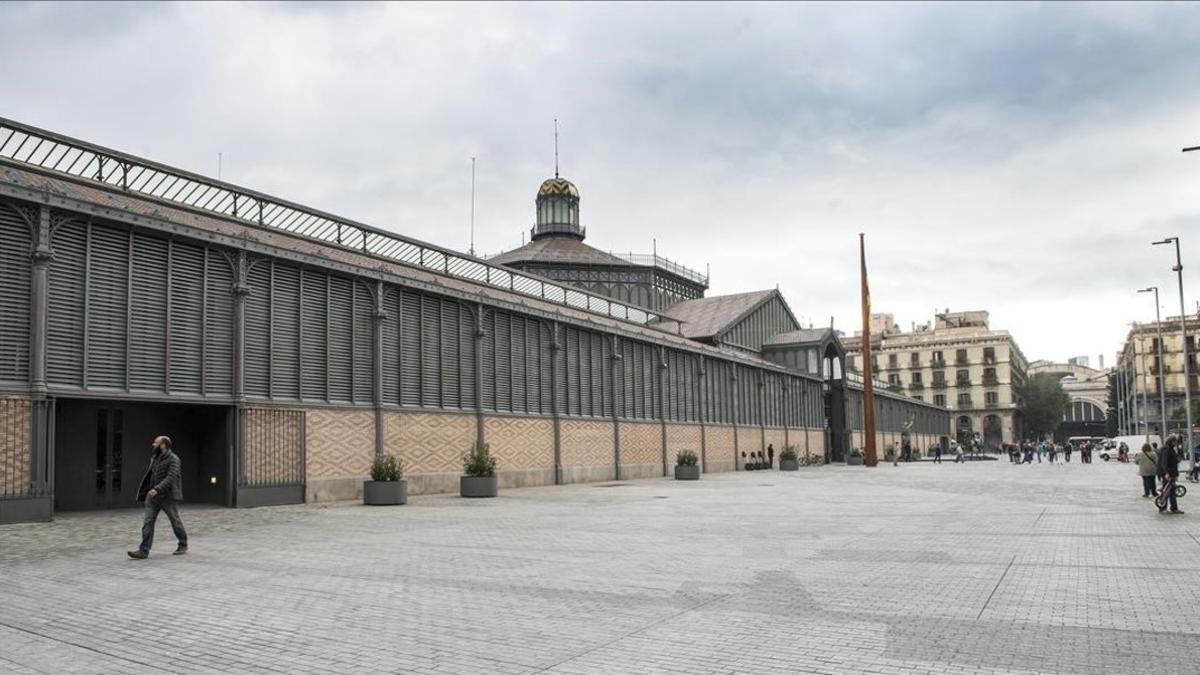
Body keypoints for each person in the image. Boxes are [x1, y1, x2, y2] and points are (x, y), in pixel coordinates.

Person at [129, 435, 188, 559]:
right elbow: (150, 476)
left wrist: (157, 489)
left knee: (175, 521)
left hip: (168, 497)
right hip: (152, 497)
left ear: (163, 445)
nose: (153, 444)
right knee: (147, 523)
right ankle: (143, 550)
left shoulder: (174, 459)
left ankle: (183, 544)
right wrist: (148, 491)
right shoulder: (154, 458)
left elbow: (171, 477)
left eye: (156, 442)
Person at [1156, 435, 1184, 514]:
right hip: (1169, 473)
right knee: (1168, 490)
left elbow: (1173, 460)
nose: (1176, 443)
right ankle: (1167, 506)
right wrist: (1166, 473)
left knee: (1170, 490)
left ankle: (1167, 507)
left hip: (1170, 472)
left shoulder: (1169, 449)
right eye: (1175, 441)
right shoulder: (1167, 449)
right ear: (1172, 441)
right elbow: (1164, 462)